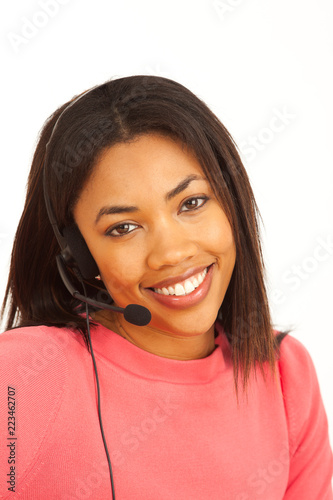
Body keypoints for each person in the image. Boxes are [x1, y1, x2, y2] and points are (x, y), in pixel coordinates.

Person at [0, 75, 332, 500]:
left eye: (191, 203)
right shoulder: (26, 375)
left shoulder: (285, 374)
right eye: (123, 227)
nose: (172, 253)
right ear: (79, 256)